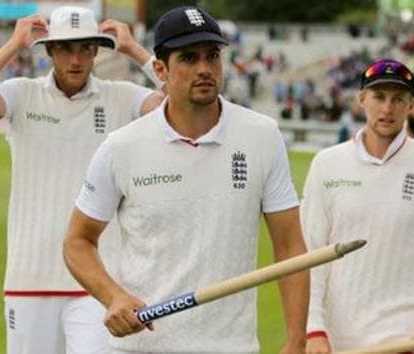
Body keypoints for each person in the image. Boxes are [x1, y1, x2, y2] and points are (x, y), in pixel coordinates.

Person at [63, 5, 309, 353]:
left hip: (231, 347)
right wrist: (113, 296)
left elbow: (290, 248)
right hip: (142, 347)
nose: (205, 69)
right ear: (160, 69)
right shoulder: (122, 147)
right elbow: (77, 241)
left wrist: (297, 340)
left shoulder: (262, 136)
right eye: (189, 58)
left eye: (212, 56)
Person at [0, 6, 164, 354]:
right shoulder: (22, 93)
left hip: (98, 283)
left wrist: (135, 50)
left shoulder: (120, 95)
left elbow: (182, 105)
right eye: (64, 48)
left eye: (84, 48)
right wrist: (14, 45)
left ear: (96, 50)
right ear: (48, 50)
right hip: (29, 277)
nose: (75, 59)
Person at [302, 59, 414, 353]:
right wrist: (314, 328)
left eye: (398, 99)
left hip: (406, 340)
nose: (387, 108)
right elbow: (310, 254)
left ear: (411, 104)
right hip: (339, 342)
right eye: (378, 97)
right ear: (361, 100)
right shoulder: (326, 164)